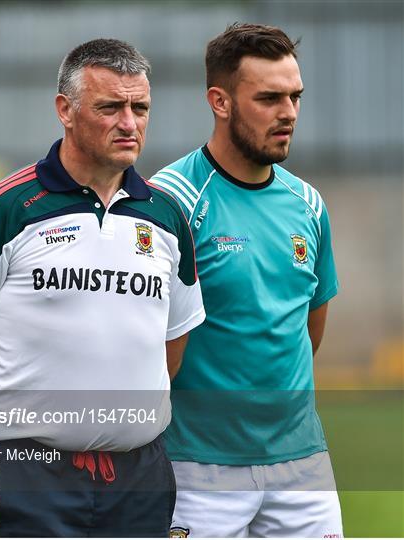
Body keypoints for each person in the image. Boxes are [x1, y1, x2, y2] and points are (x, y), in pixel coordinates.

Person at [0, 38, 205, 538]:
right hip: (34, 478)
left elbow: (171, 346)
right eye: (110, 107)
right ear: (65, 111)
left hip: (142, 478)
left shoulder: (167, 217)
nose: (129, 123)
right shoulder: (4, 209)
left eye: (140, 107)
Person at [151, 23, 343, 538]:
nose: (289, 113)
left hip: (303, 466)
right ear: (220, 101)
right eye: (269, 98)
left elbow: (308, 327)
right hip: (197, 469)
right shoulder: (166, 202)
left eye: (295, 97)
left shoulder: (309, 205)